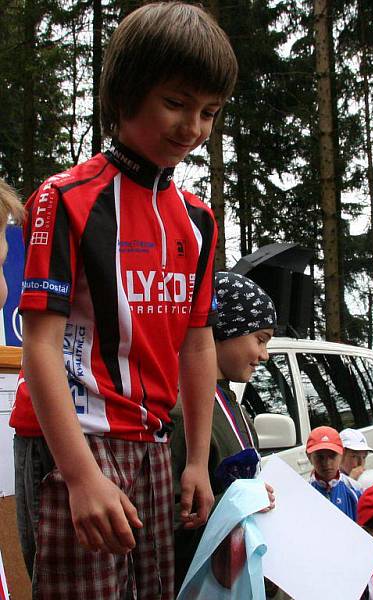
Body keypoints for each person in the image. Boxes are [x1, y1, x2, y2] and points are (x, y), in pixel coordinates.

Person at [10, 4, 237, 597]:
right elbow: (39, 345)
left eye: (209, 112)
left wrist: (194, 458)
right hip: (73, 441)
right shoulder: (65, 199)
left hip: (156, 445)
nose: (192, 126)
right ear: (128, 91)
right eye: (176, 102)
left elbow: (197, 340)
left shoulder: (200, 220)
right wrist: (81, 477)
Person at [171, 271, 277, 588]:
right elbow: (174, 518)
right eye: (260, 339)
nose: (265, 355)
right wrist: (238, 504)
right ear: (223, 330)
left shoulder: (235, 408)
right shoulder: (182, 413)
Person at [306, 426, 361, 520]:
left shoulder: (355, 490)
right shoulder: (303, 492)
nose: (326, 463)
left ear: (342, 454)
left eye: (332, 456)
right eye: (320, 457)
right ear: (309, 457)